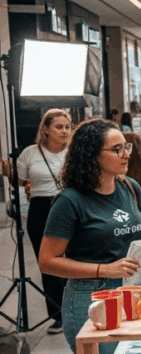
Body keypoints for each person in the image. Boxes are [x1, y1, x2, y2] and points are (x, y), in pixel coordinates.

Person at [39, 119, 141, 354]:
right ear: (91, 155)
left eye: (126, 148)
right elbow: (47, 261)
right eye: (117, 149)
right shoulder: (70, 200)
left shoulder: (130, 188)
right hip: (91, 297)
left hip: (133, 292)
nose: (125, 155)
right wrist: (105, 269)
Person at [14, 109, 72, 331]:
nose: (64, 131)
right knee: (47, 261)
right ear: (46, 129)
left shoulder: (73, 152)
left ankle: (75, 307)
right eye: (59, 127)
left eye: (67, 127)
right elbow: (20, 179)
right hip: (40, 207)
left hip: (68, 205)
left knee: (73, 257)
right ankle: (57, 313)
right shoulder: (30, 153)